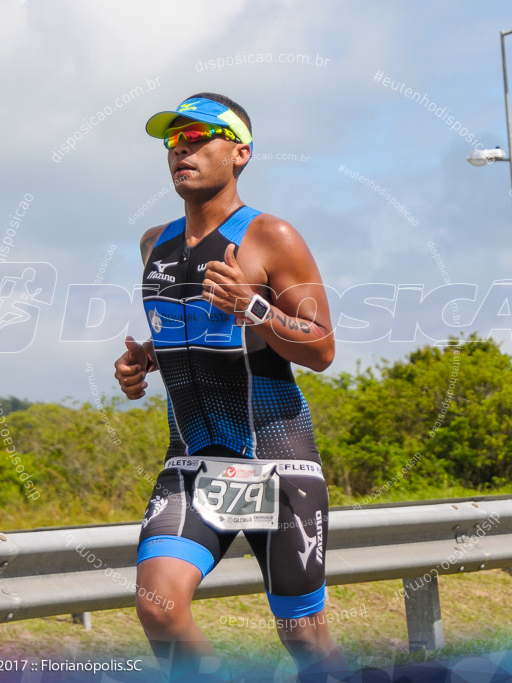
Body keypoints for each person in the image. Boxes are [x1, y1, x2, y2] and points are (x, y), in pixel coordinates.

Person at [114, 93, 346, 682]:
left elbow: (320, 348)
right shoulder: (153, 244)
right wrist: (145, 361)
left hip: (274, 459)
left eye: (199, 138)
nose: (181, 150)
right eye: (174, 140)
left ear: (240, 152)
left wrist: (257, 307)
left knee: (306, 640)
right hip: (194, 460)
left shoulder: (273, 236)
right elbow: (197, 339)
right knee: (158, 605)